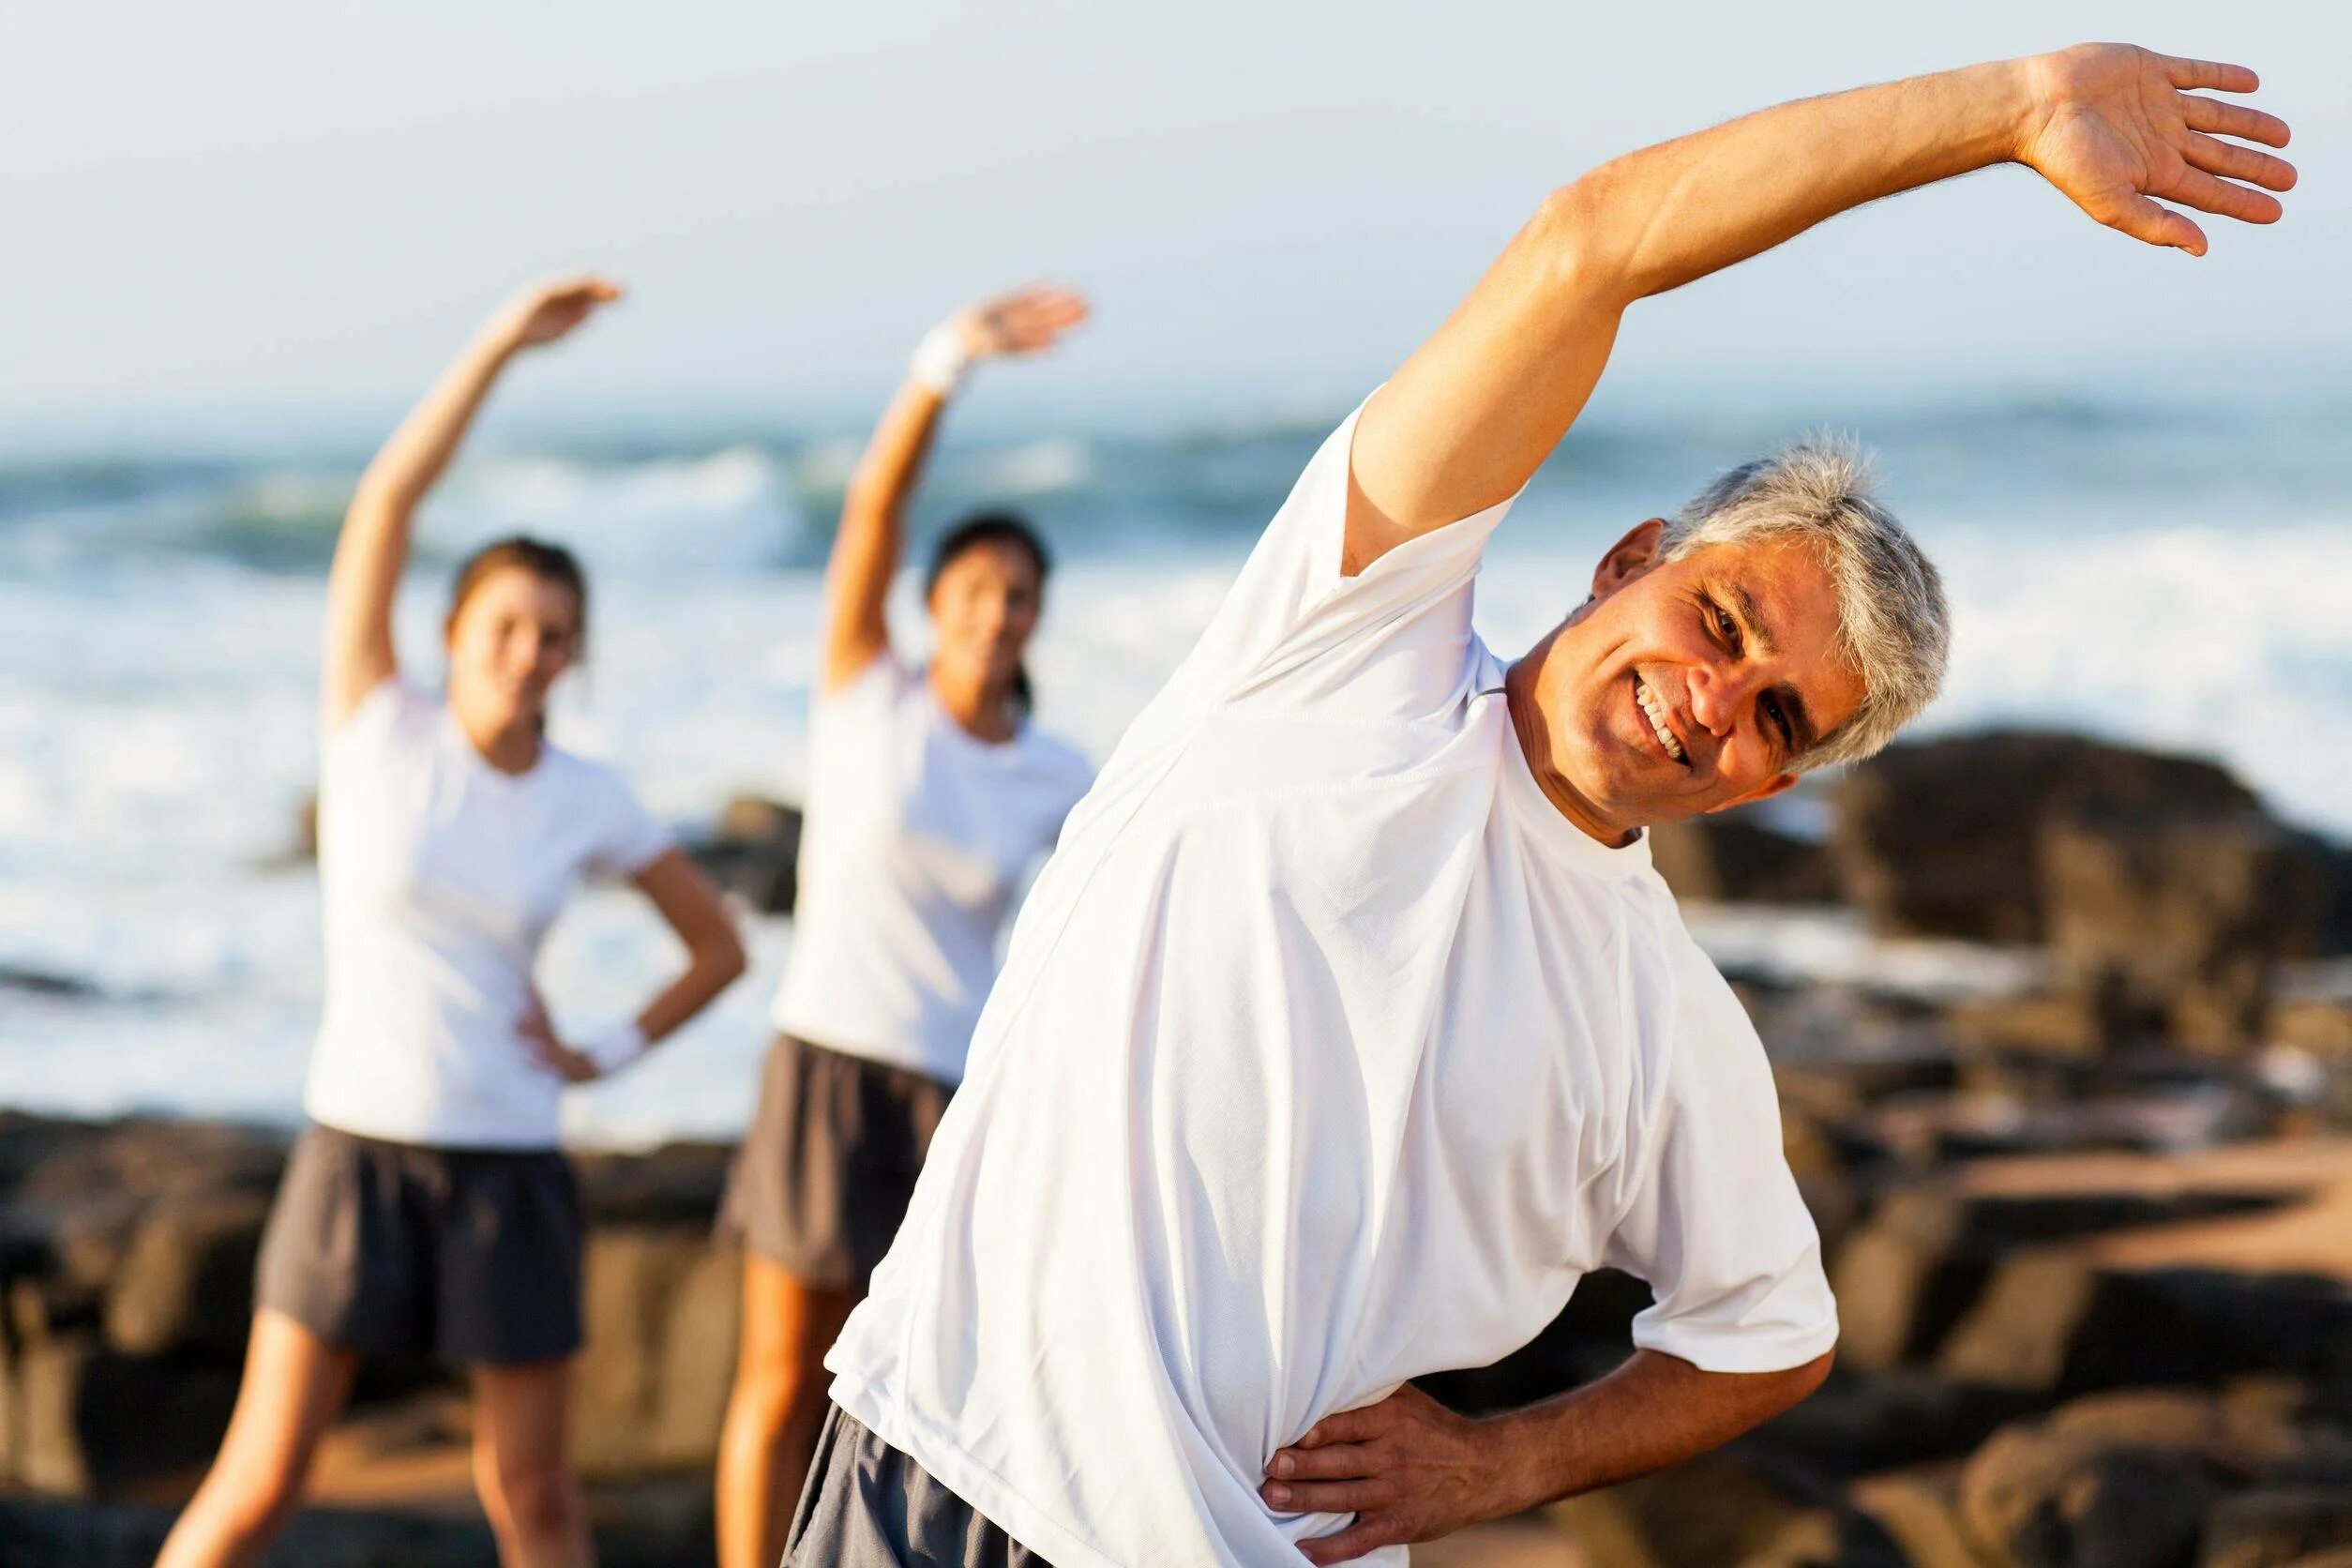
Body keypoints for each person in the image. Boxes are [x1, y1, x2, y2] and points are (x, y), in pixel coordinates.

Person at [787, 42, 2297, 1567]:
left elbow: (1773, 1332)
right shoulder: (1338, 648)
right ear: (1633, 557)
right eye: (1722, 622)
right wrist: (2007, 109)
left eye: (1778, 716)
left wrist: (1503, 1463)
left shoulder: (1662, 1023)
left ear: (1778, 781)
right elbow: (1592, 244)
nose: (1717, 701)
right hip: (948, 1481)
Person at [157, 277, 748, 1568]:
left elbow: (719, 947)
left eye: (555, 638)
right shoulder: (379, 730)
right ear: (454, 633)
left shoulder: (589, 798)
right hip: (357, 1147)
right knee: (261, 1483)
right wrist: (496, 348)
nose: (529, 654)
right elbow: (383, 503)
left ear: (574, 658)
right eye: (507, 628)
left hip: (509, 1162)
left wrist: (606, 1050)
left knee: (533, 1500)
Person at [712, 285, 1098, 1568]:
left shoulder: (1054, 769)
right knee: (779, 1371)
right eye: (980, 589)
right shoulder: (864, 697)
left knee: (918, 1386)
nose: (998, 614)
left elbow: (1117, 911)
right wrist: (947, 364)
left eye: (1021, 597)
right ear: (938, 602)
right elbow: (871, 514)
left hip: (952, 1094)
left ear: (1038, 618)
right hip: (824, 1060)